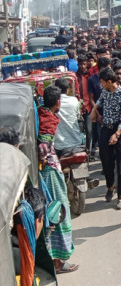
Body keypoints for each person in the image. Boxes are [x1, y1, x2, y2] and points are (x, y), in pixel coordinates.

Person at [38, 85, 79, 274]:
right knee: (59, 213)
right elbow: (43, 148)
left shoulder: (41, 113)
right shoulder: (48, 120)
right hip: (50, 172)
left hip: (48, 169)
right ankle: (58, 260)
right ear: (58, 102)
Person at [90, 67, 121, 210]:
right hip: (105, 129)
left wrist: (117, 134)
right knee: (106, 162)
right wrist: (94, 111)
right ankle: (110, 186)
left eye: (102, 82)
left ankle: (120, 197)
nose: (100, 85)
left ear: (109, 81)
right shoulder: (105, 92)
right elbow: (99, 102)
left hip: (119, 131)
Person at [54, 78, 84, 153]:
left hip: (59, 145)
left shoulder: (53, 103)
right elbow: (78, 116)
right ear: (67, 90)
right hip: (76, 141)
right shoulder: (74, 100)